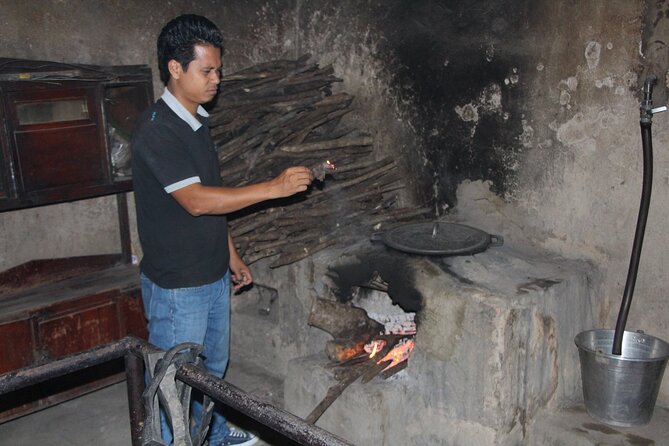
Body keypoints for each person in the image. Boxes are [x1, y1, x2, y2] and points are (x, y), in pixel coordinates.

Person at [131, 14, 313, 446]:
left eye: (219, 70)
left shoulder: (197, 123)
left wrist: (231, 255)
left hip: (210, 274)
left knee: (211, 374)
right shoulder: (157, 132)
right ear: (176, 69)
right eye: (207, 71)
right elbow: (195, 201)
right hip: (179, 286)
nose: (217, 80)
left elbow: (212, 198)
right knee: (174, 382)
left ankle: (211, 435)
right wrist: (275, 187)